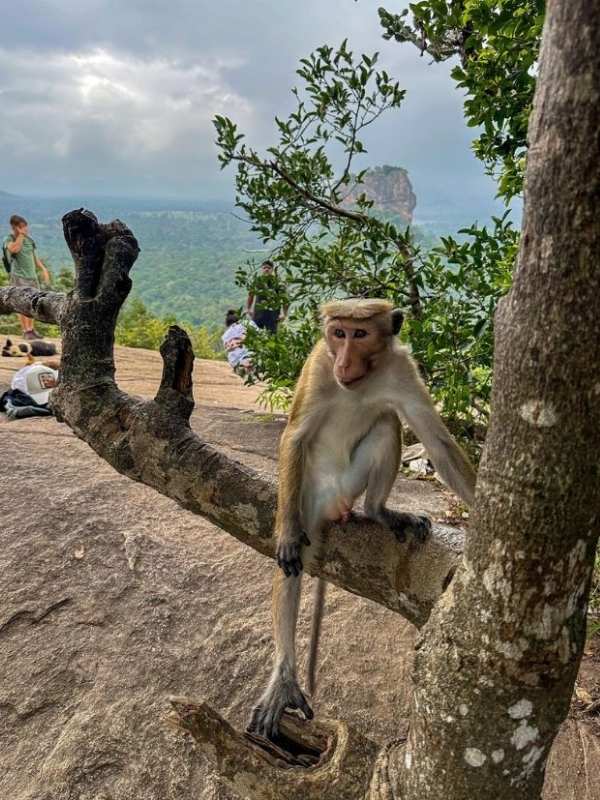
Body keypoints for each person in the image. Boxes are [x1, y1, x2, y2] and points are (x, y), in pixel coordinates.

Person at [3, 214, 50, 340]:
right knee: (21, 304)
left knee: (32, 303)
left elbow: (34, 258)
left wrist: (43, 269)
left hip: (32, 277)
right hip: (19, 276)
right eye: (22, 227)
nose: (26, 229)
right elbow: (14, 250)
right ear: (15, 227)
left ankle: (31, 330)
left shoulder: (30, 240)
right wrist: (20, 236)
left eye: (25, 226)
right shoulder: (9, 238)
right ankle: (25, 331)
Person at [245, 260, 288, 334]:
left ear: (272, 270)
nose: (266, 269)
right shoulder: (257, 281)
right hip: (258, 315)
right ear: (262, 269)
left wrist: (284, 314)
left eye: (269, 268)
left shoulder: (277, 282)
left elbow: (285, 299)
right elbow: (251, 295)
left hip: (273, 316)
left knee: (272, 339)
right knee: (255, 336)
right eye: (264, 268)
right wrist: (248, 309)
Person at [222, 309, 256, 377]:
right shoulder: (249, 323)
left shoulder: (225, 335)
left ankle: (242, 367)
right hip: (251, 354)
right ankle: (247, 366)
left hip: (235, 360)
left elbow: (228, 349)